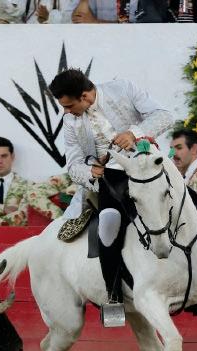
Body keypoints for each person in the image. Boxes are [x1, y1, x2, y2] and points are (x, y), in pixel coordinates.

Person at [50, 68, 174, 320]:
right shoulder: (71, 121)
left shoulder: (123, 88)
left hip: (148, 169)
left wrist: (134, 133)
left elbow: (164, 115)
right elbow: (73, 165)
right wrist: (91, 172)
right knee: (108, 221)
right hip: (111, 179)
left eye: (69, 105)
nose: (66, 112)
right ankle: (113, 295)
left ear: (85, 96)